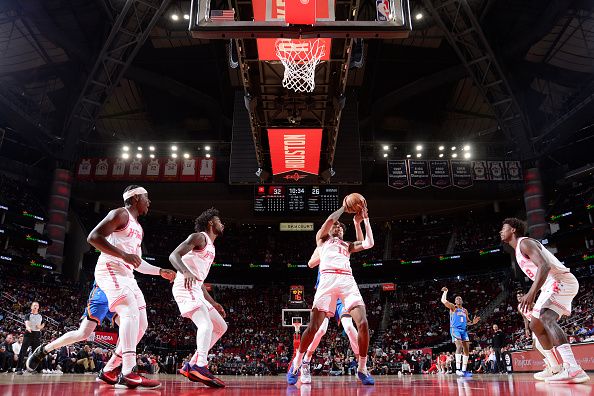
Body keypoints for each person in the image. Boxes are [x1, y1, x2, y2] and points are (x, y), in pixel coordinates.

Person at [27, 261, 174, 381]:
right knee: (83, 333)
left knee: (132, 329)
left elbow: (137, 261)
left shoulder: (133, 236)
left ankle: (113, 368)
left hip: (122, 287)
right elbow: (96, 239)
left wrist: (159, 271)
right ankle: (44, 349)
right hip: (104, 287)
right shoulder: (114, 231)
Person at [287, 199, 375, 385]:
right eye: (335, 227)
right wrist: (344, 207)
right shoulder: (321, 240)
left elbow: (369, 243)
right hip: (326, 281)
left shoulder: (347, 245)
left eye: (340, 228)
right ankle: (297, 362)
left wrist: (365, 219)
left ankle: (362, 367)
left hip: (346, 281)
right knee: (314, 329)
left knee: (363, 323)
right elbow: (328, 221)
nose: (338, 228)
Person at [85, 185, 162, 389]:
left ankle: (110, 369)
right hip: (110, 268)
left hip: (127, 274)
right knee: (128, 311)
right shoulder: (120, 213)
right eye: (146, 197)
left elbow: (137, 262)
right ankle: (128, 371)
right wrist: (123, 255)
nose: (149, 201)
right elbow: (93, 237)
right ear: (136, 198)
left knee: (142, 324)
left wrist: (160, 271)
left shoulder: (139, 227)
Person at [500, 218, 589, 383]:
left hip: (560, 280)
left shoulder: (524, 243)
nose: (500, 232)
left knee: (546, 318)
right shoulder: (518, 250)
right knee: (535, 325)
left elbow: (544, 266)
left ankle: (573, 368)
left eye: (503, 228)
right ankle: (555, 367)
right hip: (550, 285)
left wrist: (531, 293)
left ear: (513, 230)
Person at [169, 207, 228, 388]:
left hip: (195, 288)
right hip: (184, 286)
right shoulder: (199, 237)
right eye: (219, 221)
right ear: (211, 223)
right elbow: (173, 255)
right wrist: (185, 272)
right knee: (206, 324)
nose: (222, 224)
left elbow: (199, 280)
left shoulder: (211, 247)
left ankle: (193, 363)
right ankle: (201, 365)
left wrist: (213, 302)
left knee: (220, 326)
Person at [441, 287, 480, 377]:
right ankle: (458, 369)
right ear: (455, 301)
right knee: (459, 346)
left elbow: (468, 322)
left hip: (463, 331)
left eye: (460, 298)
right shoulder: (453, 307)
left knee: (466, 349)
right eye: (457, 298)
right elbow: (443, 300)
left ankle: (464, 370)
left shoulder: (464, 310)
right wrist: (445, 292)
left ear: (462, 301)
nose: (458, 299)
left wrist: (473, 322)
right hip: (455, 329)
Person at [16, 302, 44, 374]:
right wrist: (28, 327)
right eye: (34, 305)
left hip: (37, 334)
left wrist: (40, 327)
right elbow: (26, 323)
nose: (35, 306)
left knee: (36, 353)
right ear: (31, 307)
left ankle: (34, 369)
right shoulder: (28, 315)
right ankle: (18, 369)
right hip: (28, 334)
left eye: (37, 305)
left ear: (38, 307)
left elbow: (43, 324)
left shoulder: (40, 316)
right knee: (23, 351)